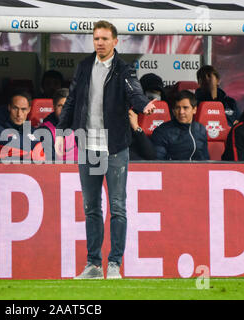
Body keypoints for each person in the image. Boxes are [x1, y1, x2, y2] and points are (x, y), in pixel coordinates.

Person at [55, 20, 156, 279]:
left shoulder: (124, 69)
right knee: (91, 207)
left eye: (103, 38)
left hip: (114, 148)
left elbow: (134, 92)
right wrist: (61, 130)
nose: (99, 42)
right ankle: (93, 265)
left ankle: (114, 265)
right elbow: (72, 100)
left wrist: (143, 105)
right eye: (96, 38)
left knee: (117, 207)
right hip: (88, 147)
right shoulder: (84, 67)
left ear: (115, 41)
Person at [0, 90, 47, 162]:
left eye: (23, 109)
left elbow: (43, 159)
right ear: (9, 107)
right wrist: (29, 154)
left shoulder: (35, 133)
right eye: (15, 108)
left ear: (29, 109)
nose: (19, 114)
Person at [151, 90, 209, 161]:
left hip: (197, 171)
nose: (181, 112)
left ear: (194, 110)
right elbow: (158, 162)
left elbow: (206, 160)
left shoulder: (201, 129)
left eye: (185, 108)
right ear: (173, 111)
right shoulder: (162, 131)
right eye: (177, 108)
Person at [40, 88, 77, 162]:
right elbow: (51, 162)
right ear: (54, 106)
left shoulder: (81, 125)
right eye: (60, 106)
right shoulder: (46, 130)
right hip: (58, 172)